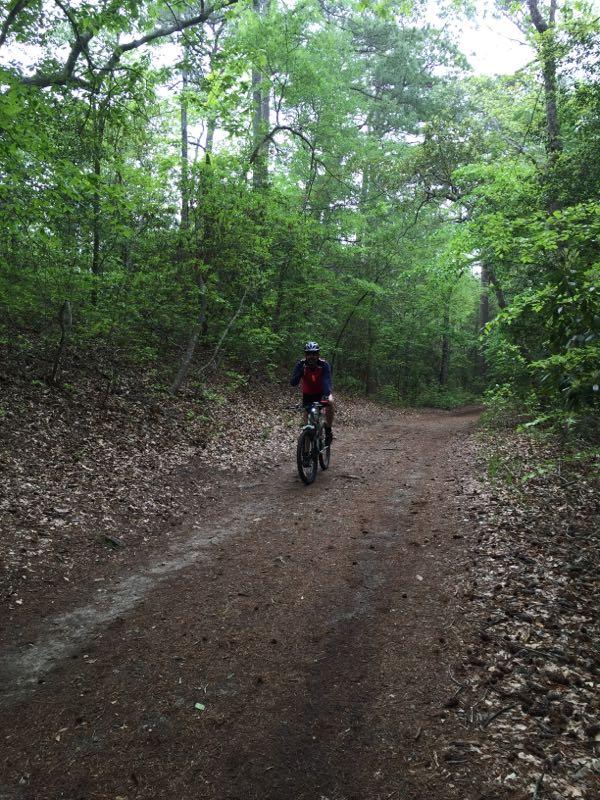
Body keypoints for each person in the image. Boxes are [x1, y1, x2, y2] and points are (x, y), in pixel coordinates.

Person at [290, 341, 335, 445]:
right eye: (309, 354)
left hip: (322, 393)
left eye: (314, 354)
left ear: (318, 355)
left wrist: (326, 394)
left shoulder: (324, 365)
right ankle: (305, 454)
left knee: (331, 402)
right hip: (307, 395)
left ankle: (328, 430)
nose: (312, 356)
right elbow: (293, 382)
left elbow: (327, 381)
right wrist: (300, 372)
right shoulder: (301, 364)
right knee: (306, 428)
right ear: (305, 355)